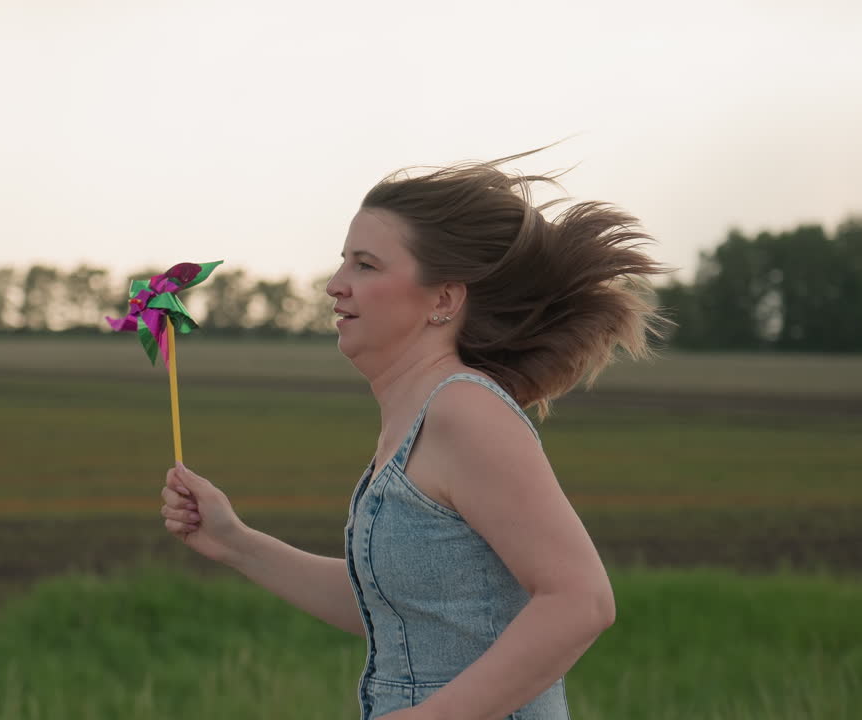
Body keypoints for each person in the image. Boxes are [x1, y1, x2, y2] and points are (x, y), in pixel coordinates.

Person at [159, 142, 672, 720]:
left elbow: (581, 600)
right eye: (343, 261)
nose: (335, 284)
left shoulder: (465, 412)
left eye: (365, 264)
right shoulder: (419, 418)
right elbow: (401, 612)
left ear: (445, 299)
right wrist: (236, 543)